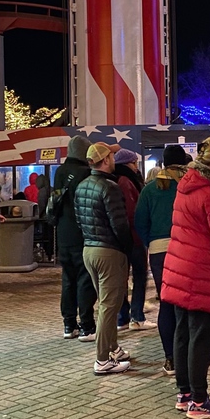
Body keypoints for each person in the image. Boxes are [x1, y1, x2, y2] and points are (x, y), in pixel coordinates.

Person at [161, 137, 210, 419]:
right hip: (202, 271)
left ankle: (184, 394)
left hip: (179, 267)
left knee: (182, 333)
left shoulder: (187, 185)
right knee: (203, 337)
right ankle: (199, 400)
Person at [75, 142, 133, 375]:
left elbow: (80, 220)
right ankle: (102, 359)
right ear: (106, 160)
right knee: (111, 306)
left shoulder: (82, 186)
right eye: (111, 154)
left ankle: (113, 348)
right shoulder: (110, 187)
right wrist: (128, 248)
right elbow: (119, 224)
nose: (113, 158)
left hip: (89, 249)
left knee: (106, 303)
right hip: (109, 251)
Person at [135, 144, 190, 376]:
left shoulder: (149, 189)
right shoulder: (188, 186)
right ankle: (187, 355)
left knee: (166, 303)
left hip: (159, 251)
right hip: (187, 249)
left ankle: (170, 359)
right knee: (186, 304)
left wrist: (152, 242)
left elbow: (139, 222)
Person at [50, 136, 97, 341]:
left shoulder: (60, 172)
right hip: (81, 233)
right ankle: (87, 324)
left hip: (63, 233)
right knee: (85, 279)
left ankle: (69, 324)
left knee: (68, 279)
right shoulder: (85, 173)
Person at [113, 148, 154, 331]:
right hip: (133, 237)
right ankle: (135, 316)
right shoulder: (126, 181)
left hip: (121, 238)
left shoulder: (116, 179)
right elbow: (132, 212)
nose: (137, 166)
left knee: (122, 277)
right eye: (135, 162)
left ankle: (123, 316)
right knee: (138, 275)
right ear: (128, 164)